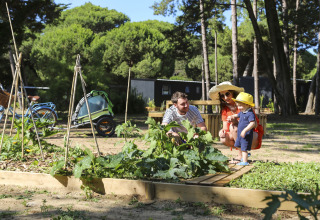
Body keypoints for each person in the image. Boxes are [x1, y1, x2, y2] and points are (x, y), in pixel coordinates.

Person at [208, 81, 260, 163]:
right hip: (239, 134)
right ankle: (244, 154)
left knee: (234, 127)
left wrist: (235, 122)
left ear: (233, 93)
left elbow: (255, 125)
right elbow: (225, 127)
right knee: (224, 137)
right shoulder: (225, 109)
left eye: (227, 94)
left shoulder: (243, 105)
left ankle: (241, 155)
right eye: (222, 95)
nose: (225, 97)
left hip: (251, 134)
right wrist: (222, 131)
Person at [227, 92, 256, 165]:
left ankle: (245, 161)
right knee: (237, 145)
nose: (238, 108)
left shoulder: (250, 114)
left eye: (240, 106)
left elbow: (253, 123)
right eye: (237, 106)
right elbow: (237, 115)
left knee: (243, 148)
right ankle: (245, 154)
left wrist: (245, 130)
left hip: (246, 134)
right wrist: (232, 116)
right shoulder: (243, 111)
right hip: (240, 133)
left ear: (247, 105)